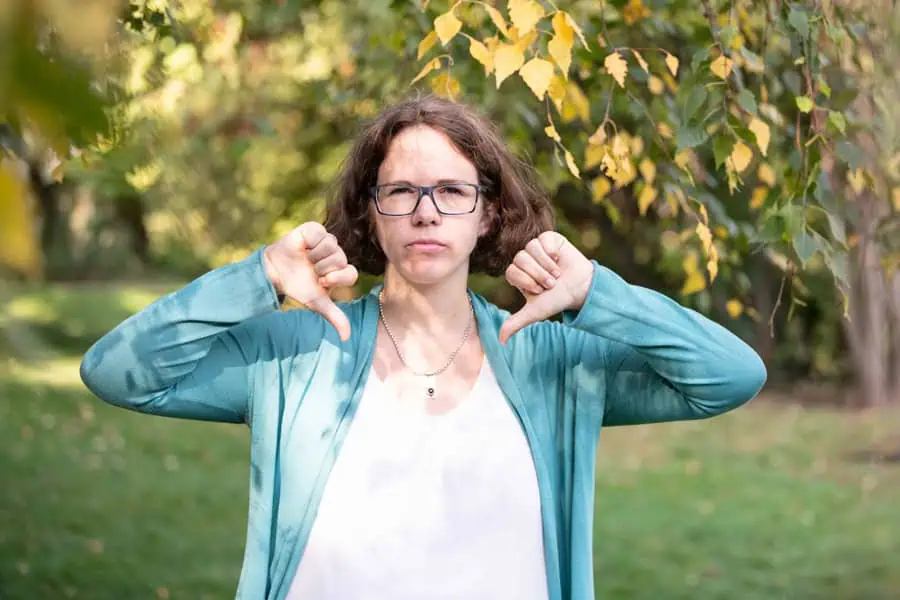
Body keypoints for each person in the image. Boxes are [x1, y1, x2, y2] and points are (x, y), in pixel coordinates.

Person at [79, 95, 767, 600]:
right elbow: (118, 372)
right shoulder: (296, 355)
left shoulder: (552, 363)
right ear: (371, 214)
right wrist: (258, 279)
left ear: (488, 213)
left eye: (452, 190)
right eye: (401, 191)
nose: (426, 211)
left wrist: (594, 291)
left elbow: (730, 375)